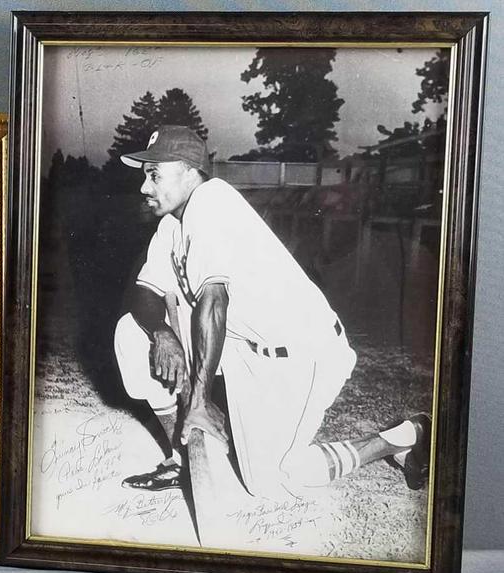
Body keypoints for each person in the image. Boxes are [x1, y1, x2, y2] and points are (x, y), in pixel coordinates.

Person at [114, 125, 431, 498]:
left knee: (276, 480)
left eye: (154, 175)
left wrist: (198, 400)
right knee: (133, 334)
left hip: (302, 353)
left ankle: (406, 435)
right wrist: (163, 334)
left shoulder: (212, 201)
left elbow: (215, 301)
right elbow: (145, 293)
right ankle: (180, 456)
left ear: (189, 170)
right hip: (244, 349)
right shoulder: (171, 226)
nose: (144, 187)